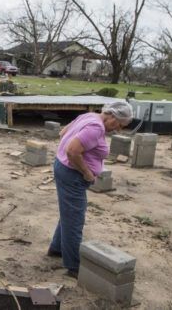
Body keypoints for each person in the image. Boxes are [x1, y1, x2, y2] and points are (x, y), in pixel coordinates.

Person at [47, 101, 134, 277]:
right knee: (75, 219)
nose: (117, 129)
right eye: (118, 124)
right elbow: (72, 152)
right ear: (111, 115)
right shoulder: (96, 128)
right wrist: (87, 172)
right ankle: (74, 266)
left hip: (64, 169)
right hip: (72, 174)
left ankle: (57, 249)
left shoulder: (89, 116)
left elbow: (63, 132)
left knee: (69, 213)